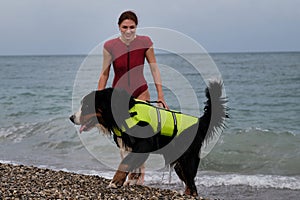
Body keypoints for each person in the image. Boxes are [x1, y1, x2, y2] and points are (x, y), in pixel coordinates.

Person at [97, 10, 168, 185]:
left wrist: (160, 94)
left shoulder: (145, 42)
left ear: (136, 27)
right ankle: (130, 170)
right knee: (122, 139)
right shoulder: (110, 46)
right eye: (124, 27)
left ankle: (138, 175)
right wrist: (97, 99)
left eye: (132, 27)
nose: (128, 31)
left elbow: (154, 69)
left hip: (141, 93)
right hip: (118, 96)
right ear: (119, 27)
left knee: (141, 136)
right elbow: (104, 74)